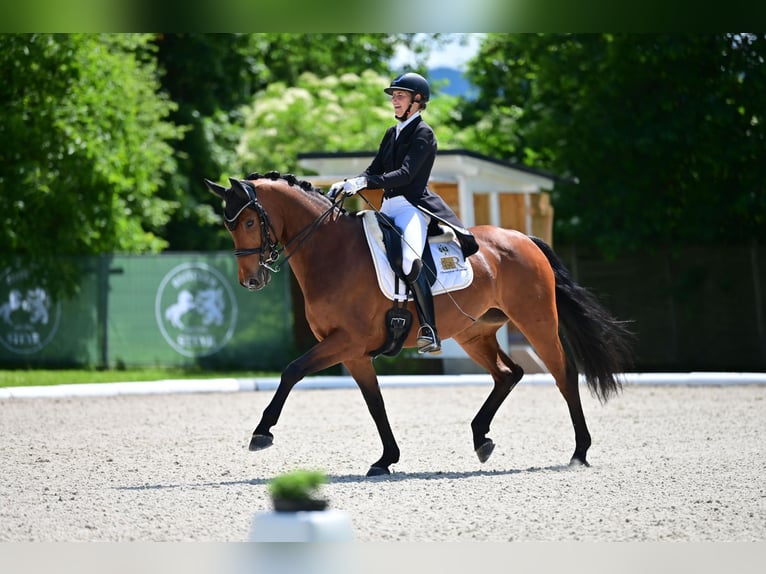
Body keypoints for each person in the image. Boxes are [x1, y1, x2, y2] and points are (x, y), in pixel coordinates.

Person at [329, 72, 477, 355]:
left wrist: (366, 183)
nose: (394, 101)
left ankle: (429, 330)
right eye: (393, 96)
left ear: (417, 101)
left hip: (412, 209)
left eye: (400, 96)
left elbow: (406, 175)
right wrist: (350, 183)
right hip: (387, 207)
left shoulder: (424, 134)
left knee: (409, 261)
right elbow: (374, 170)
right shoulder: (391, 133)